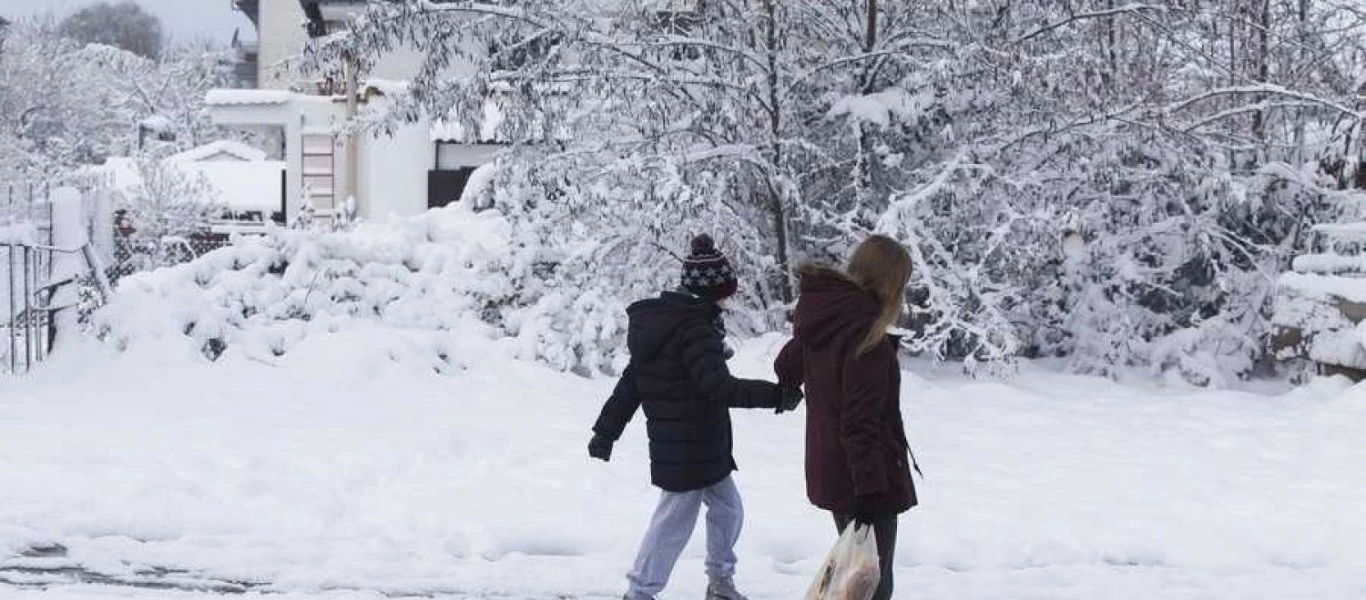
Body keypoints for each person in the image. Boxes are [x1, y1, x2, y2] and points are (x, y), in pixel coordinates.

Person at [589, 234, 802, 600]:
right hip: (687, 449)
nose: (731, 297)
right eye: (728, 290)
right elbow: (719, 387)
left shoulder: (672, 325)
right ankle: (639, 593)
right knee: (673, 523)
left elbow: (631, 384)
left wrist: (605, 432)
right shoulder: (695, 329)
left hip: (703, 446)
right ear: (716, 290)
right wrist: (776, 396)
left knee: (728, 510)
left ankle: (720, 584)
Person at [774, 235, 918, 600]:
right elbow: (860, 423)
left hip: (835, 472)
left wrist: (807, 338)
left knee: (856, 581)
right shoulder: (867, 338)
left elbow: (786, 368)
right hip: (863, 479)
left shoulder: (827, 319)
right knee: (871, 585)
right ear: (890, 283)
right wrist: (871, 493)